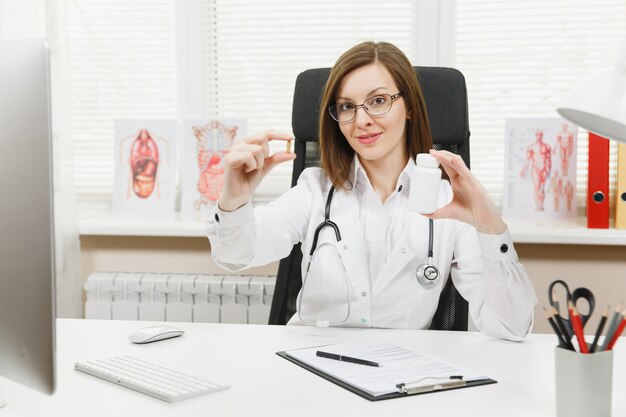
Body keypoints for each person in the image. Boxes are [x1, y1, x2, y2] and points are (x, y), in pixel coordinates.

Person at [207, 41, 536, 341]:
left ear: (409, 107)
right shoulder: (314, 190)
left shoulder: (448, 203)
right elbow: (235, 254)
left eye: (378, 101)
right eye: (347, 107)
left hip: (404, 379)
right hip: (313, 373)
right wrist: (234, 199)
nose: (361, 119)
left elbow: (511, 326)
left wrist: (492, 228)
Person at [520, 130, 552, 211]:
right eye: (538, 134)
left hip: (544, 169)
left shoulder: (547, 147)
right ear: (536, 135)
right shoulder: (531, 147)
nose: (539, 136)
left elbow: (549, 160)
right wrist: (523, 170)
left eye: (541, 134)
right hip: (535, 169)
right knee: (536, 188)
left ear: (542, 135)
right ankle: (537, 206)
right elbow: (528, 160)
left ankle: (541, 206)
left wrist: (549, 170)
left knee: (542, 189)